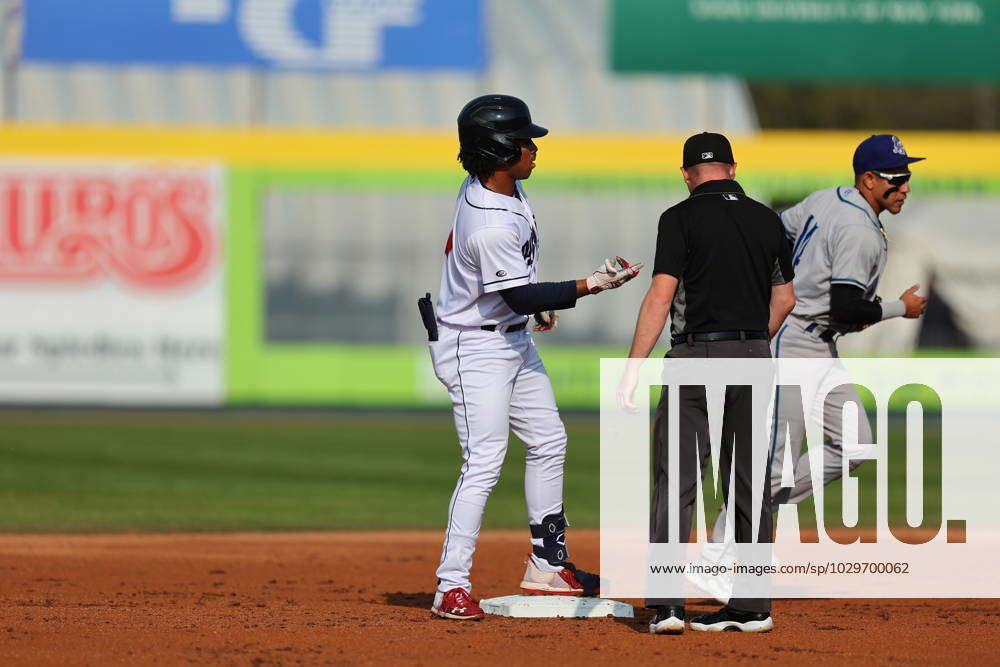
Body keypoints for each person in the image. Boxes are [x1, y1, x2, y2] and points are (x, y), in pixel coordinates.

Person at [424, 94, 643, 621]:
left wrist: (531, 307)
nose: (533, 148)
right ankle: (449, 585)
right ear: (499, 150)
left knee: (549, 440)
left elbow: (515, 292)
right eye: (525, 141)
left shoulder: (497, 185)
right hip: (473, 346)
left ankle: (547, 564)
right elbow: (517, 293)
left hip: (508, 334)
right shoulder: (490, 221)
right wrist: (591, 284)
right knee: (484, 462)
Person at [703, 135, 929, 580]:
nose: (905, 186)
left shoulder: (829, 198)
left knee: (856, 445)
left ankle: (751, 525)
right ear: (868, 179)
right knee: (776, 460)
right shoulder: (859, 230)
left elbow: (777, 233)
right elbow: (846, 307)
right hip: (795, 341)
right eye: (896, 178)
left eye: (907, 176)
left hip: (819, 343)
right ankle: (717, 557)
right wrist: (902, 307)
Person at [618, 132, 796, 634]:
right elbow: (785, 300)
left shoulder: (677, 218)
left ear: (686, 174)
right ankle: (753, 605)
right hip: (753, 354)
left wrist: (634, 364)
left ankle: (670, 605)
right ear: (733, 169)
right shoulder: (768, 220)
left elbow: (661, 294)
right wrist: (755, 341)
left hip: (695, 352)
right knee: (748, 481)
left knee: (676, 478)